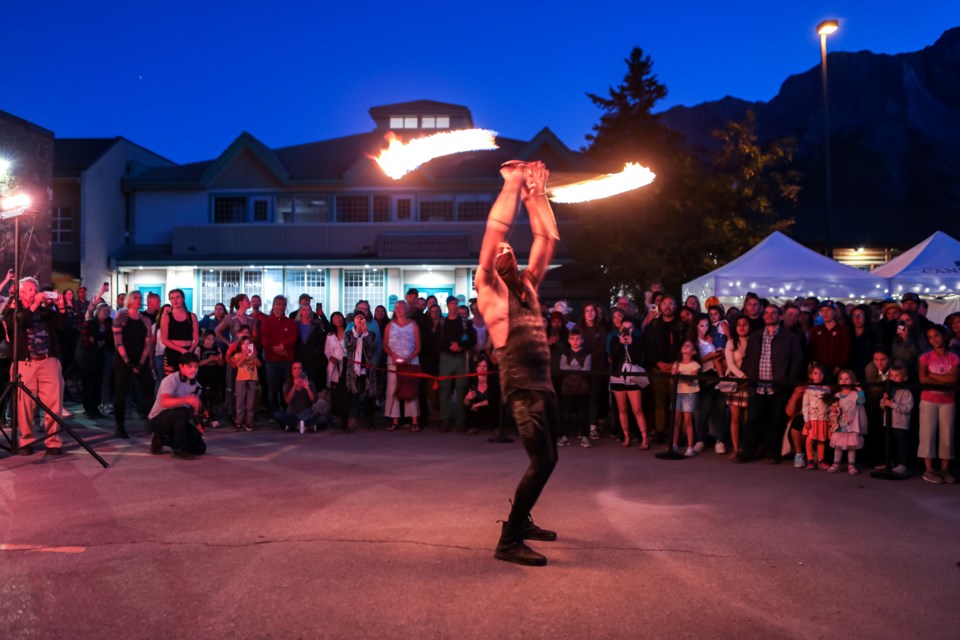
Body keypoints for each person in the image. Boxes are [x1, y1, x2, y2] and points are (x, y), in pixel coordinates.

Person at [476, 160, 559, 567]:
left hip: (545, 386)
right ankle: (509, 539)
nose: (507, 250)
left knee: (550, 459)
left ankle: (522, 521)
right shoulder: (488, 292)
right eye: (502, 251)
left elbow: (547, 238)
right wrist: (511, 184)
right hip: (523, 390)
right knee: (542, 461)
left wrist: (537, 194)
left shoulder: (527, 285)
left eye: (511, 249)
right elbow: (496, 231)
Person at [5, 277, 67, 456]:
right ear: (21, 293)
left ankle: (53, 441)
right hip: (25, 363)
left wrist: (61, 306)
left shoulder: (46, 311)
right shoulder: (14, 311)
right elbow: (16, 324)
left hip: (48, 361)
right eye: (30, 290)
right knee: (24, 405)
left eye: (36, 289)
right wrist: (33, 306)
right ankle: (26, 440)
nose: (34, 293)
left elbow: (64, 326)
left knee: (54, 403)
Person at [736, 303, 804, 464]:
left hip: (777, 387)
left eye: (773, 312)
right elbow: (747, 358)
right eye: (766, 312)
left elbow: (797, 361)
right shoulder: (756, 336)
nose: (769, 315)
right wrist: (747, 376)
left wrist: (786, 380)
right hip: (757, 386)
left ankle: (773, 452)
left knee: (775, 421)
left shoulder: (790, 338)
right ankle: (748, 451)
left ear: (779, 316)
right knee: (753, 420)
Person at [917, 325, 959, 484]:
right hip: (929, 399)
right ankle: (929, 469)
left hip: (948, 400)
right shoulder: (925, 357)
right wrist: (943, 378)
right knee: (927, 434)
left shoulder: (954, 357)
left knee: (947, 434)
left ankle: (945, 468)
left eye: (937, 336)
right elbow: (923, 379)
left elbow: (953, 379)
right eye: (930, 337)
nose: (934, 340)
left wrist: (932, 375)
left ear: (944, 336)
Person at [112, 290, 156, 438]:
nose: (139, 300)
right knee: (121, 393)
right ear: (130, 300)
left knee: (148, 390)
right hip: (124, 359)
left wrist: (141, 362)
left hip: (140, 359)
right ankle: (120, 426)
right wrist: (128, 362)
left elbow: (148, 342)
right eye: (136, 297)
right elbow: (118, 342)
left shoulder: (145, 320)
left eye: (140, 298)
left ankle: (153, 423)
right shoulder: (121, 317)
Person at [147, 352, 206, 459]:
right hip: (158, 419)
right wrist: (186, 399)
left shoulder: (197, 386)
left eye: (196, 367)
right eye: (190, 367)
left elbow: (193, 411)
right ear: (181, 366)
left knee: (200, 448)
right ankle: (178, 449)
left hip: (179, 421)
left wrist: (199, 417)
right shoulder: (170, 380)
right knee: (182, 411)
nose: (194, 369)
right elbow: (165, 402)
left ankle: (162, 439)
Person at [643, 295, 683, 443]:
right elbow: (647, 346)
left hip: (676, 369)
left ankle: (678, 433)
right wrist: (657, 362)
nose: (667, 307)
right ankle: (660, 431)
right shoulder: (654, 325)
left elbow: (685, 345)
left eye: (670, 304)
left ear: (675, 306)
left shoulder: (680, 325)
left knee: (677, 403)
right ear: (660, 306)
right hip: (658, 369)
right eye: (665, 304)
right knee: (659, 401)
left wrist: (676, 363)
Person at [437, 295, 476, 432]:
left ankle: (461, 421)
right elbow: (437, 341)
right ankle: (445, 420)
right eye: (452, 303)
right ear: (447, 305)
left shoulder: (465, 322)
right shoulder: (442, 323)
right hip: (446, 358)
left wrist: (461, 345)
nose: (454, 306)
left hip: (460, 358)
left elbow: (472, 339)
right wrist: (449, 346)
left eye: (456, 303)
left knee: (461, 390)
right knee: (444, 390)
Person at [608, 318, 649, 449]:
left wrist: (631, 344)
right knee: (622, 408)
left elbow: (637, 358)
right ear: (620, 329)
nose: (626, 330)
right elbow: (613, 358)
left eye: (629, 328)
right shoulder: (615, 340)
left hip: (633, 376)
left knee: (637, 408)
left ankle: (644, 438)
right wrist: (620, 344)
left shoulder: (638, 340)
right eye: (624, 328)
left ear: (634, 329)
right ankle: (626, 437)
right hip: (618, 376)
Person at [383, 300, 421, 432]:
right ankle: (394, 420)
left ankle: (414, 420)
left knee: (410, 389)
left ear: (406, 309)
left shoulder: (413, 325)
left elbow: (418, 345)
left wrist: (408, 358)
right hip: (393, 362)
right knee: (393, 390)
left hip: (410, 362)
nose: (398, 310)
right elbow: (385, 345)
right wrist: (393, 356)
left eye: (401, 307)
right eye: (396, 308)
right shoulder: (390, 325)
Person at [259, 295, 296, 412]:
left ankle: (287, 411)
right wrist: (279, 350)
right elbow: (265, 340)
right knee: (272, 389)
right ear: (273, 305)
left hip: (287, 360)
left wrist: (283, 346)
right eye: (278, 304)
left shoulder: (291, 322)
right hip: (271, 361)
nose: (281, 307)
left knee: (286, 388)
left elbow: (293, 338)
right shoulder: (266, 322)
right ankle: (274, 414)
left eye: (283, 304)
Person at [828, 370, 868, 475]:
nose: (844, 381)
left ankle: (851, 465)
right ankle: (836, 464)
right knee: (838, 446)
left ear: (852, 380)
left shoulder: (854, 394)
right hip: (839, 425)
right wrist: (832, 408)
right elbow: (832, 408)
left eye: (847, 379)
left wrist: (860, 390)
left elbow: (861, 401)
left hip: (851, 424)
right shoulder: (836, 395)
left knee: (851, 446)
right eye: (841, 379)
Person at [344, 312, 378, 430]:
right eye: (357, 318)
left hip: (367, 369)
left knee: (369, 396)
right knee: (354, 396)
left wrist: (365, 333)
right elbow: (349, 347)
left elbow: (371, 348)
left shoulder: (371, 334)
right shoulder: (349, 333)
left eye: (362, 318)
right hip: (354, 370)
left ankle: (371, 422)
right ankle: (353, 420)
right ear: (353, 321)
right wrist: (357, 333)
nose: (359, 320)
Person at [558, 327, 592, 448]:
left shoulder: (587, 354)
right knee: (566, 414)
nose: (575, 341)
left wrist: (571, 370)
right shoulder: (565, 354)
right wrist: (577, 370)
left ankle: (585, 436)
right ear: (568, 340)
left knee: (583, 414)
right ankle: (564, 436)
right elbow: (563, 369)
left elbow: (586, 369)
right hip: (567, 388)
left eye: (578, 339)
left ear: (582, 340)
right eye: (572, 339)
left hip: (582, 388)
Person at [724, 316, 751, 459]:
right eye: (739, 324)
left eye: (745, 324)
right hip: (736, 380)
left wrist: (748, 378)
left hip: (751, 382)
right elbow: (730, 364)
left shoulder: (753, 341)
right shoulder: (730, 342)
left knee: (747, 418)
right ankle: (735, 449)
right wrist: (742, 377)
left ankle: (746, 447)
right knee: (735, 418)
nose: (741, 327)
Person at [880, 364, 914, 478]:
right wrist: (884, 400)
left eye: (897, 376)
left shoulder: (906, 392)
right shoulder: (890, 390)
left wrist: (892, 404)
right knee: (890, 444)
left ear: (904, 378)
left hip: (901, 424)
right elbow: (882, 406)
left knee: (902, 445)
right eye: (892, 376)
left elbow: (907, 408)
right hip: (889, 423)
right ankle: (890, 462)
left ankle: (903, 465)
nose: (893, 378)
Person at [275, 361, 324, 433]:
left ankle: (296, 426)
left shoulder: (309, 383)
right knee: (277, 415)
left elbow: (314, 400)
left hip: (307, 415)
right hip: (293, 415)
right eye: (295, 368)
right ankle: (304, 426)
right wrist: (294, 387)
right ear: (291, 371)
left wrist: (308, 389)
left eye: (299, 368)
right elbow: (287, 401)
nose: (297, 371)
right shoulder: (287, 384)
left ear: (302, 370)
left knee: (322, 417)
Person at [672, 339, 701, 458]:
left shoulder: (695, 365)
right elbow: (672, 381)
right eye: (684, 344)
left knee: (688, 420)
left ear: (693, 352)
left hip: (689, 394)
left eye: (688, 345)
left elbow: (690, 381)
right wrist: (673, 375)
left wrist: (678, 376)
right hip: (677, 392)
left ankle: (690, 446)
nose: (685, 346)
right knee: (676, 420)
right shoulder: (676, 364)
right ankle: (674, 443)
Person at [159, 289, 199, 376]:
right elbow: (164, 340)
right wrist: (181, 350)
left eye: (177, 297)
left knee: (188, 381)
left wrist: (189, 351)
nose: (175, 300)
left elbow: (196, 338)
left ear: (183, 299)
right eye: (172, 298)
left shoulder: (192, 316)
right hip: (172, 352)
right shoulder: (166, 317)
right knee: (172, 382)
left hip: (189, 351)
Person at [801, 362, 833, 470]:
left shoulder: (826, 389)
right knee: (809, 440)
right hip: (812, 419)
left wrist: (830, 418)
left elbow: (828, 404)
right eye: (815, 373)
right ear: (811, 375)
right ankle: (810, 460)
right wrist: (806, 420)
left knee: (821, 440)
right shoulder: (809, 390)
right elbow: (805, 406)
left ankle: (821, 460)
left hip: (823, 419)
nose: (818, 375)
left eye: (820, 373)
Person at [808, 300, 851, 380]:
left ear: (835, 312)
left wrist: (836, 370)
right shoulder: (815, 330)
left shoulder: (843, 330)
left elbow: (846, 353)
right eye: (822, 310)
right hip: (818, 373)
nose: (825, 313)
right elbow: (811, 351)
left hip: (837, 373)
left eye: (828, 310)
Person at [230, 335, 261, 432]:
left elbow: (260, 364)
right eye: (244, 344)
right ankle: (239, 422)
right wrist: (244, 355)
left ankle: (249, 422)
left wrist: (254, 356)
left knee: (250, 402)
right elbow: (237, 364)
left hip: (252, 379)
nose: (246, 346)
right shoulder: (238, 354)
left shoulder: (253, 354)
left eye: (248, 344)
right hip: (241, 380)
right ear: (240, 345)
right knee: (240, 402)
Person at [324, 311, 349, 427]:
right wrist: (330, 357)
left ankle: (345, 414)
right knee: (334, 390)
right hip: (334, 363)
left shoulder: (349, 332)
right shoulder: (330, 335)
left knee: (345, 389)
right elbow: (327, 350)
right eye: (335, 318)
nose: (337, 319)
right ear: (332, 321)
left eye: (339, 317)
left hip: (346, 363)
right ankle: (335, 414)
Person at [464, 353, 500, 434]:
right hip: (478, 412)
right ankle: (474, 426)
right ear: (476, 368)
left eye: (485, 366)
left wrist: (477, 404)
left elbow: (494, 400)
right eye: (479, 366)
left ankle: (496, 427)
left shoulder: (493, 381)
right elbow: (466, 404)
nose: (482, 369)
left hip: (491, 410)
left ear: (488, 368)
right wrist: (466, 398)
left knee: (496, 405)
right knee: (470, 405)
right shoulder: (472, 381)